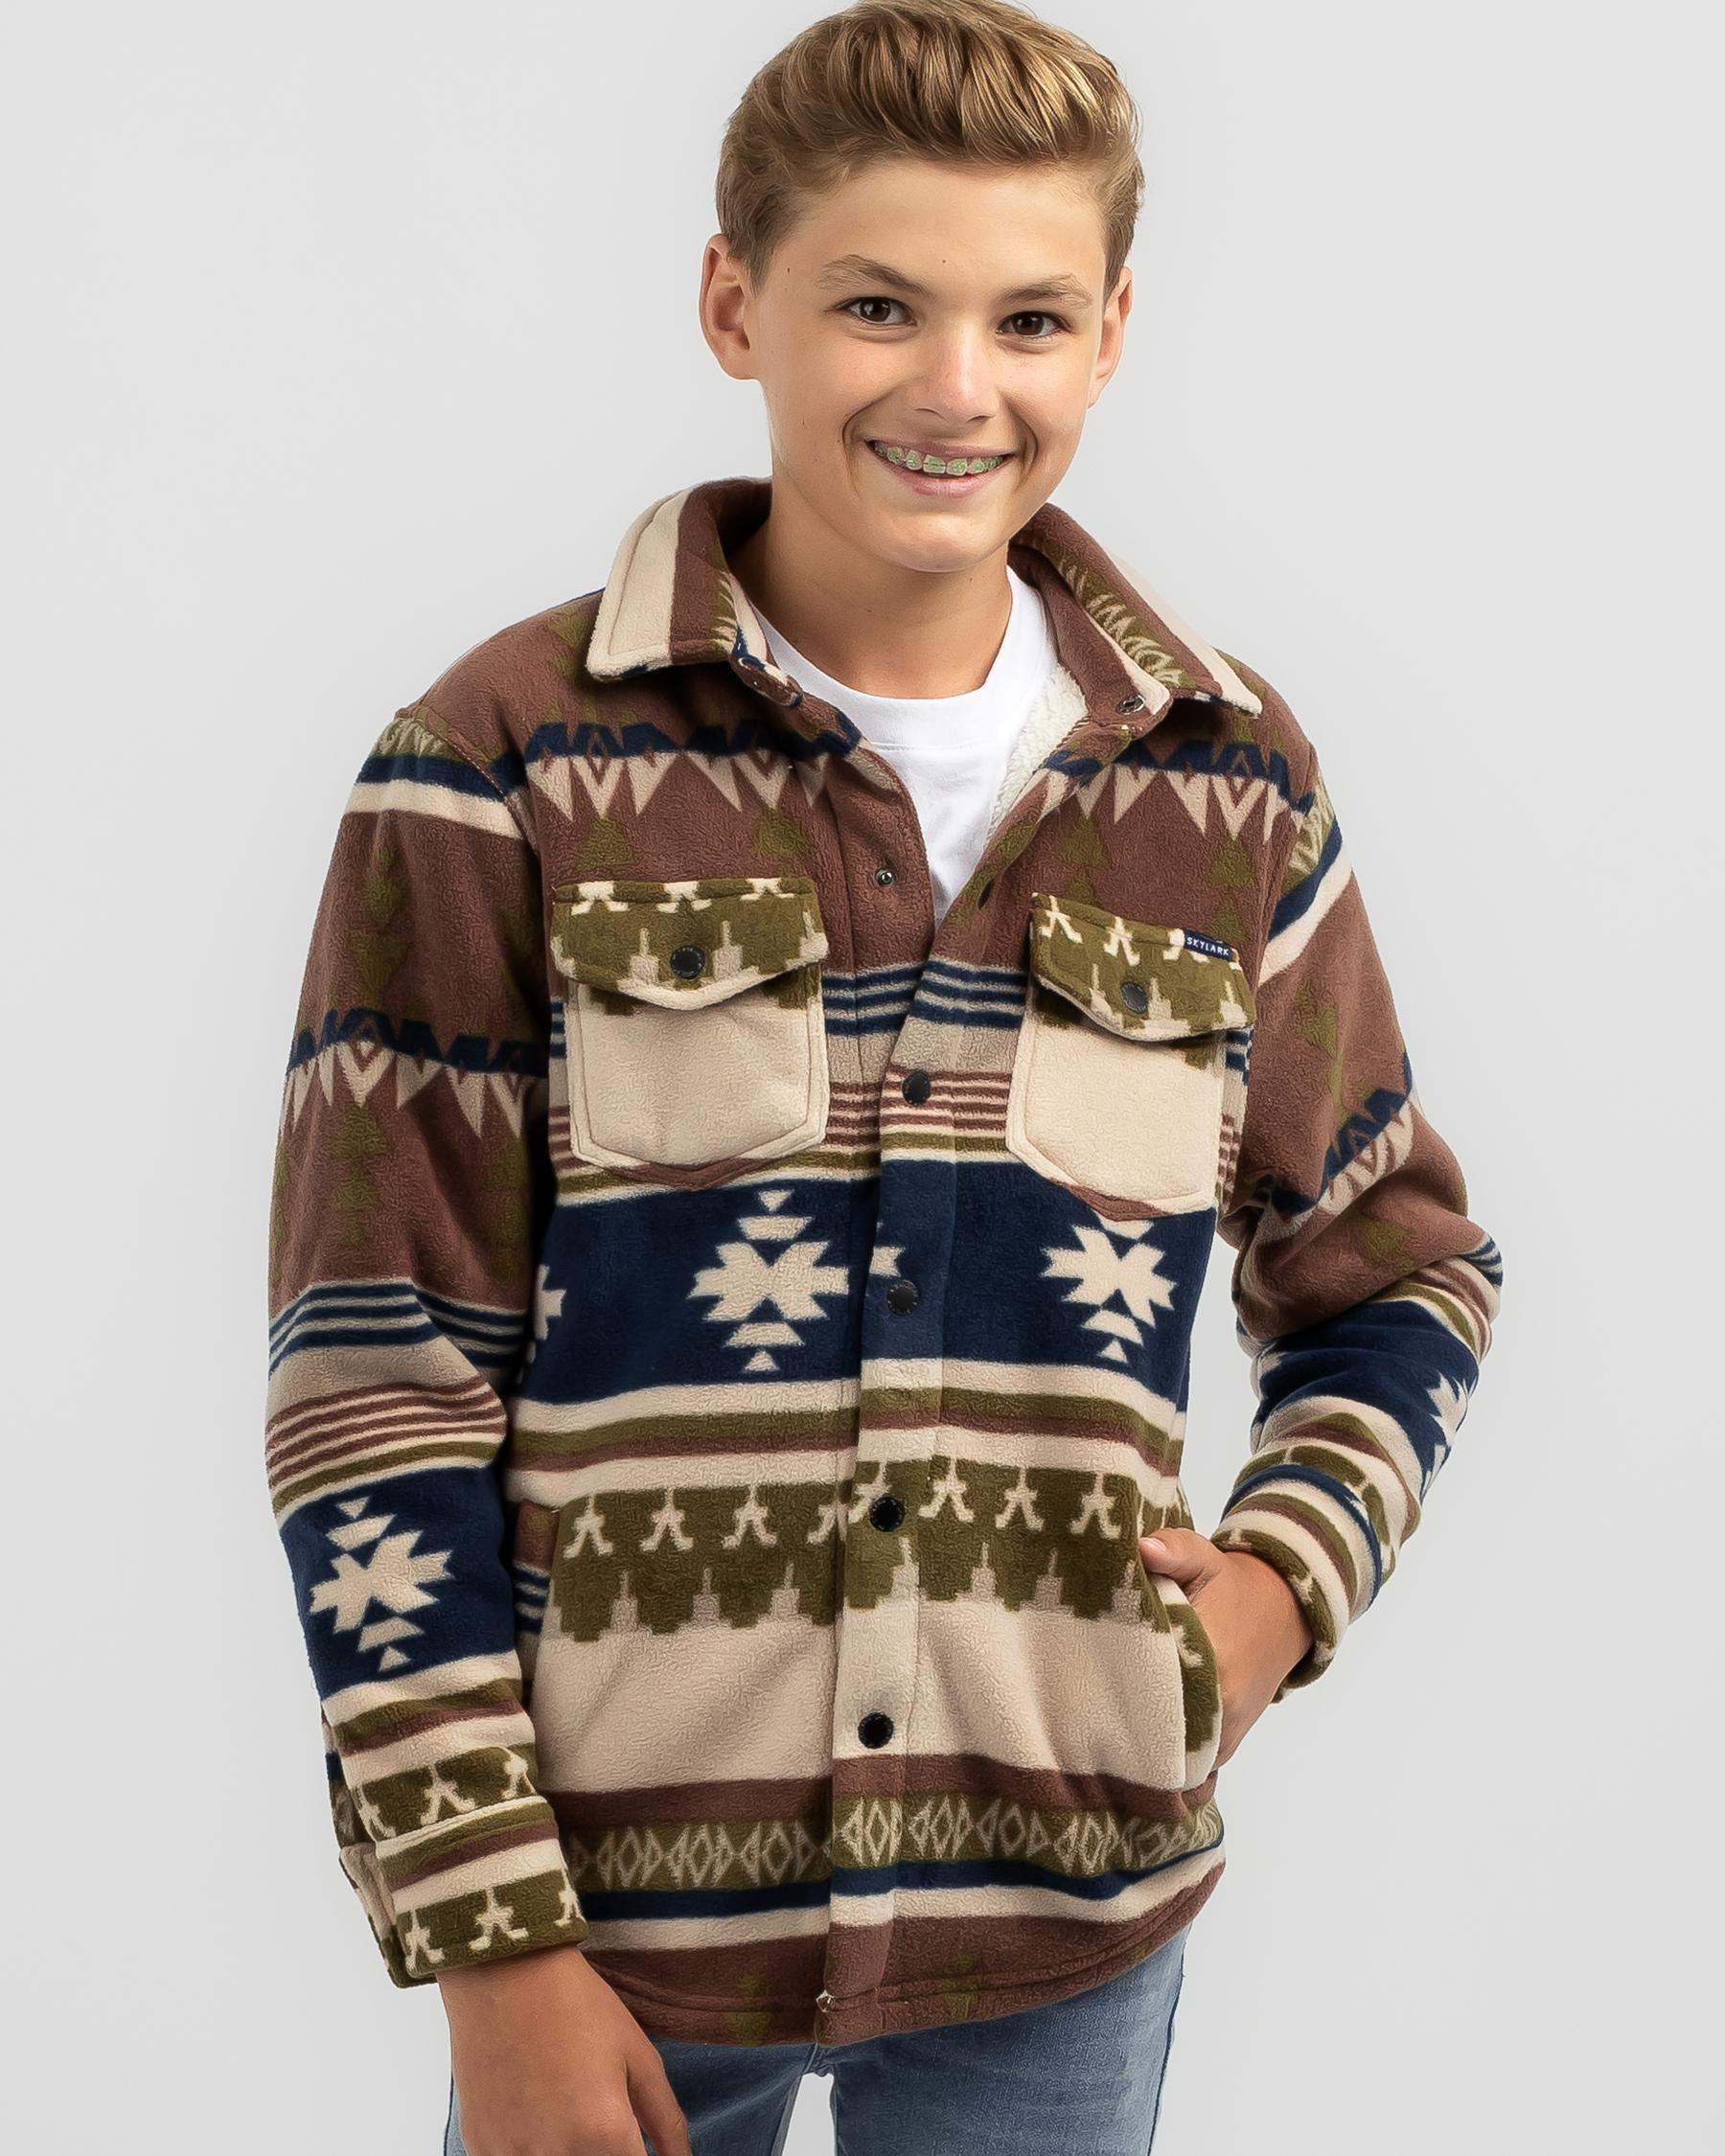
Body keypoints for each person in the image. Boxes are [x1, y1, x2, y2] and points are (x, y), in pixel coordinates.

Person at [263, 4, 1504, 2152]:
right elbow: (376, 1381)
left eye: (1028, 318)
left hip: (1068, 1920)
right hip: (609, 1950)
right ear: (733, 303)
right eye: (876, 305)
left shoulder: (1227, 783)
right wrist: (492, 1949)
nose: (955, 388)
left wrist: (1272, 1593)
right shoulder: (494, 764)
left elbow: (1400, 1271)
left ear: (1111, 338)